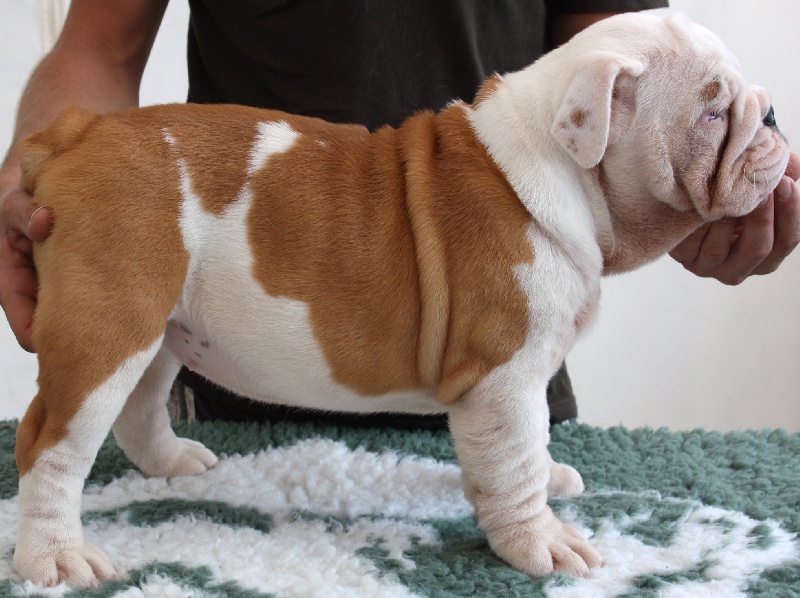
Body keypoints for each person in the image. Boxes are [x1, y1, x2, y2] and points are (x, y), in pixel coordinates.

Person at [1, 0, 798, 429]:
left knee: (518, 511)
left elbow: (621, 55)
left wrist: (697, 180)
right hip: (237, 354)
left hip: (508, 339)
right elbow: (99, 45)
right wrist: (40, 180)